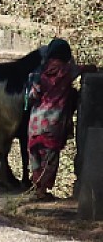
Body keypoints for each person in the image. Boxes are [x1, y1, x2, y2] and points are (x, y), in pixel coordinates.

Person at [27, 38, 77, 201]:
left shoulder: (38, 71)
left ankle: (36, 188)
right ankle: (41, 191)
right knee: (49, 159)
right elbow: (86, 69)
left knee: (36, 155)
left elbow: (32, 96)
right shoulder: (67, 71)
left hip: (35, 123)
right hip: (53, 124)